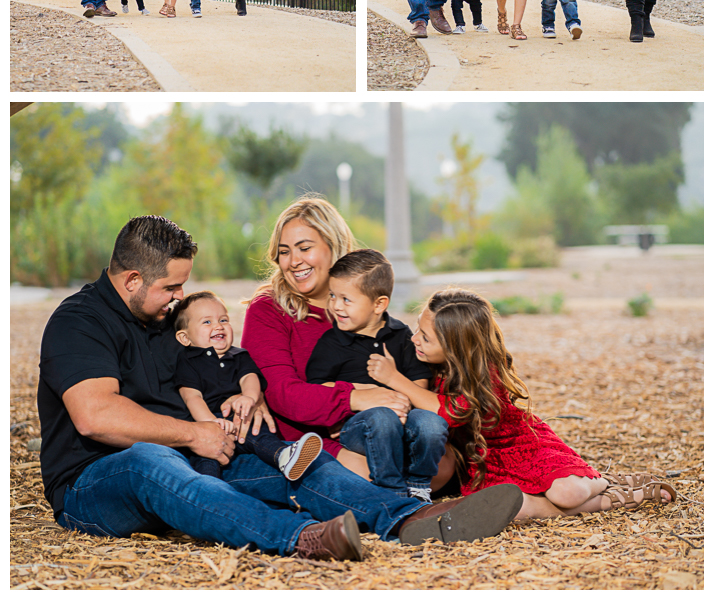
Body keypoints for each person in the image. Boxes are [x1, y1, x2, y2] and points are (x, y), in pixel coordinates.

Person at [37, 215, 521, 556]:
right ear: (133, 278)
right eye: (171, 288)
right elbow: (95, 415)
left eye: (183, 287)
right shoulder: (78, 322)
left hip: (202, 457)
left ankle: (408, 518)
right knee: (149, 458)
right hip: (98, 484)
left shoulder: (168, 320)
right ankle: (301, 537)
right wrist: (191, 433)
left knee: (295, 459)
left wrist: (244, 397)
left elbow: (218, 369)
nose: (179, 298)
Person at [241, 196, 522, 543]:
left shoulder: (365, 307)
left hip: (391, 426)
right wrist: (360, 397)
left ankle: (417, 500)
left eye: (304, 247)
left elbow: (420, 368)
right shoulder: (268, 310)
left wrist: (409, 402)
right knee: (362, 472)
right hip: (316, 436)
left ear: (334, 247)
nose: (293, 261)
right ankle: (418, 517)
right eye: (284, 251)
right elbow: (284, 394)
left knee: (441, 460)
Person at [367, 288, 678, 521]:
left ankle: (607, 484)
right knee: (511, 507)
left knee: (566, 494)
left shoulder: (485, 373)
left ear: (458, 347)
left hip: (523, 447)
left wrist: (395, 379)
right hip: (484, 462)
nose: (415, 339)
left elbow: (452, 412)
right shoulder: (428, 364)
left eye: (426, 337)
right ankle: (614, 497)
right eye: (418, 330)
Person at [305, 249, 448, 503]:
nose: (336, 306)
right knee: (382, 418)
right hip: (358, 426)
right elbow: (317, 387)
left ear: (379, 304)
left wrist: (397, 394)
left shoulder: (400, 334)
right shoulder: (331, 342)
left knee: (431, 424)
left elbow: (419, 380)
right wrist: (360, 392)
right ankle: (391, 493)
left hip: (405, 419)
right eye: (332, 296)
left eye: (346, 300)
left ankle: (418, 485)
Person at [173, 290, 323, 481]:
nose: (218, 326)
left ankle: (284, 456)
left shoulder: (238, 355)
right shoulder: (188, 361)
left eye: (224, 320)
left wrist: (249, 397)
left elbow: (249, 378)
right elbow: (192, 396)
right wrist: (209, 422)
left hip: (241, 419)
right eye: (207, 322)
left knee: (259, 435)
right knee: (206, 460)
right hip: (208, 425)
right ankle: (207, 488)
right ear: (185, 338)